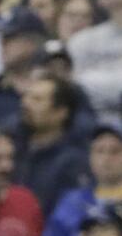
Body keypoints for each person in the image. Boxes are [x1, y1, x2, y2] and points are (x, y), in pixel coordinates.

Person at [16, 73, 89, 218]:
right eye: (26, 96)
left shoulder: (72, 163)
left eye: (37, 99)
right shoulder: (12, 150)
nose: (25, 104)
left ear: (61, 112)